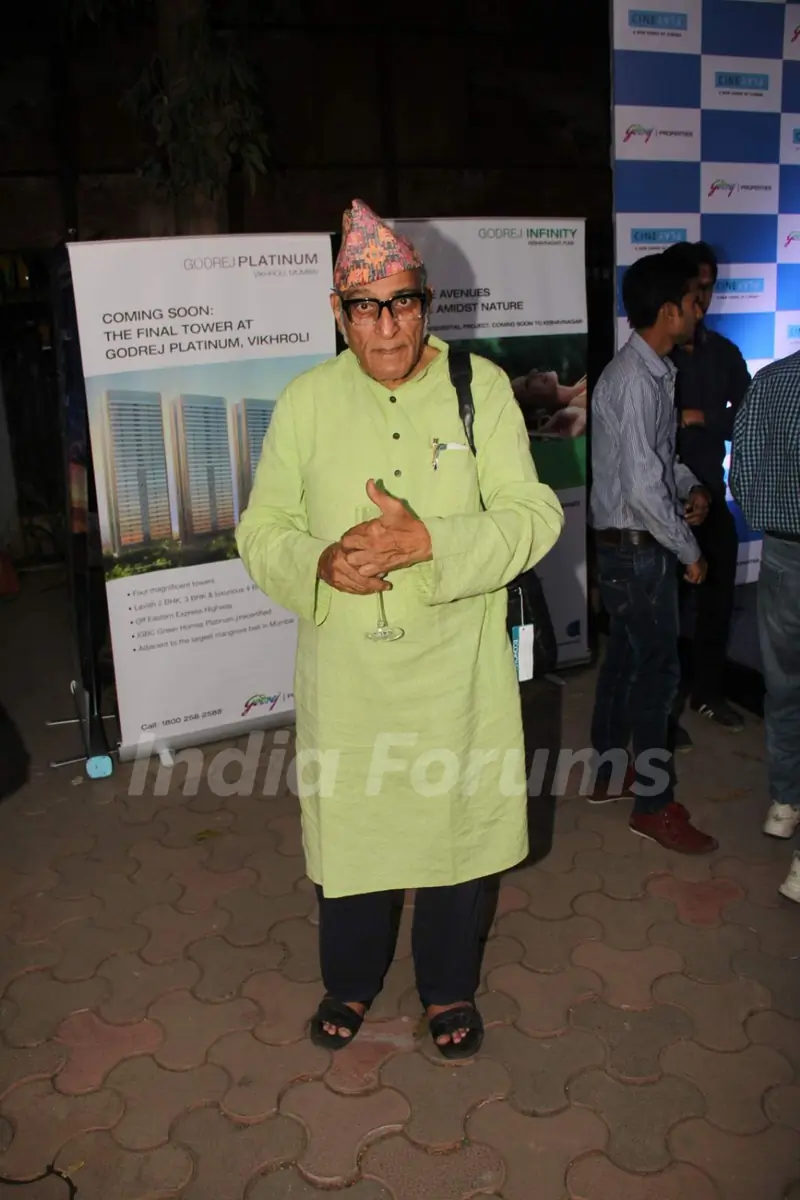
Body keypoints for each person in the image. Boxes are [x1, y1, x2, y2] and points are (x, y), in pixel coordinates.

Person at [236, 199, 564, 1057]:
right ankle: (349, 982)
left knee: (457, 840)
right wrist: (317, 562)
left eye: (403, 302)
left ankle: (448, 989)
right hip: (349, 676)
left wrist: (432, 542)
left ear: (426, 302)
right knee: (355, 837)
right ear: (340, 315)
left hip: (457, 669)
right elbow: (260, 526)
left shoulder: (479, 388)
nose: (387, 325)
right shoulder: (305, 401)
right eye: (366, 306)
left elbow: (535, 515)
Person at [586, 251, 717, 854]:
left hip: (628, 547)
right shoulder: (637, 380)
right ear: (668, 311)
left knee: (626, 661)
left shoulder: (648, 373)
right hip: (637, 551)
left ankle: (611, 772)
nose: (699, 311)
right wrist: (688, 547)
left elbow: (656, 465)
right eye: (693, 301)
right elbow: (642, 489)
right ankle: (653, 805)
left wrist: (690, 489)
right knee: (659, 672)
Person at [663, 241, 751, 738]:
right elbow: (647, 432)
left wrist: (699, 416)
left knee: (718, 602)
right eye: (696, 285)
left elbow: (748, 419)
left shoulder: (724, 353)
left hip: (712, 496)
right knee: (667, 613)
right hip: (663, 501)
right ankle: (664, 709)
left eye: (710, 285)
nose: (704, 295)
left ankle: (708, 694)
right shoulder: (658, 355)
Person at [730, 354, 800, 902]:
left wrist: (778, 516)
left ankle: (784, 803)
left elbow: (744, 474)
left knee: (784, 687)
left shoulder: (773, 380)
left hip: (783, 554)